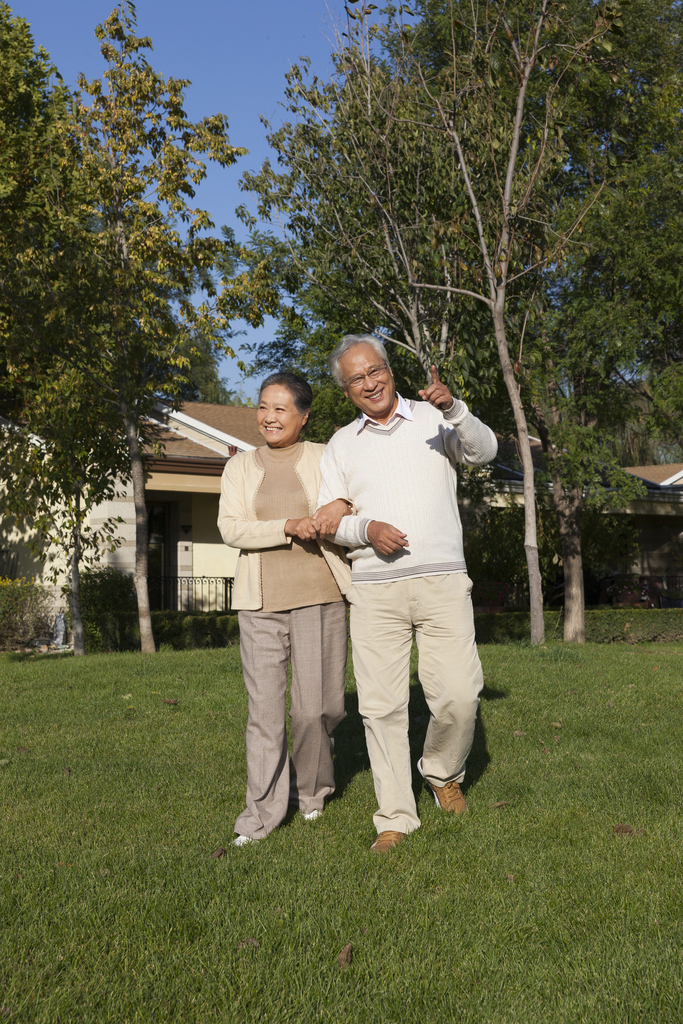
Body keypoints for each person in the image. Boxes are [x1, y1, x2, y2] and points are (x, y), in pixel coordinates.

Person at [317, 334, 498, 853]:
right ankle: (395, 815)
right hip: (375, 588)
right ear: (346, 390)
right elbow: (331, 521)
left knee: (461, 695)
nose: (370, 382)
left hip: (442, 580)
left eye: (376, 371)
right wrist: (367, 528)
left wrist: (457, 409)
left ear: (390, 371)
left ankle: (442, 773)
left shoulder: (433, 416)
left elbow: (485, 453)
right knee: (381, 707)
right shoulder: (341, 444)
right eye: (357, 378)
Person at [217, 372, 352, 846]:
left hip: (321, 597)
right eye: (262, 407)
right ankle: (260, 816)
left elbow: (346, 505)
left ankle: (312, 792)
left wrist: (328, 519)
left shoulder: (325, 456)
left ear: (303, 415)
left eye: (279, 409)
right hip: (260, 604)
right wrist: (289, 526)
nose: (268, 417)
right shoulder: (240, 467)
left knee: (318, 709)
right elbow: (231, 529)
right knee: (266, 714)